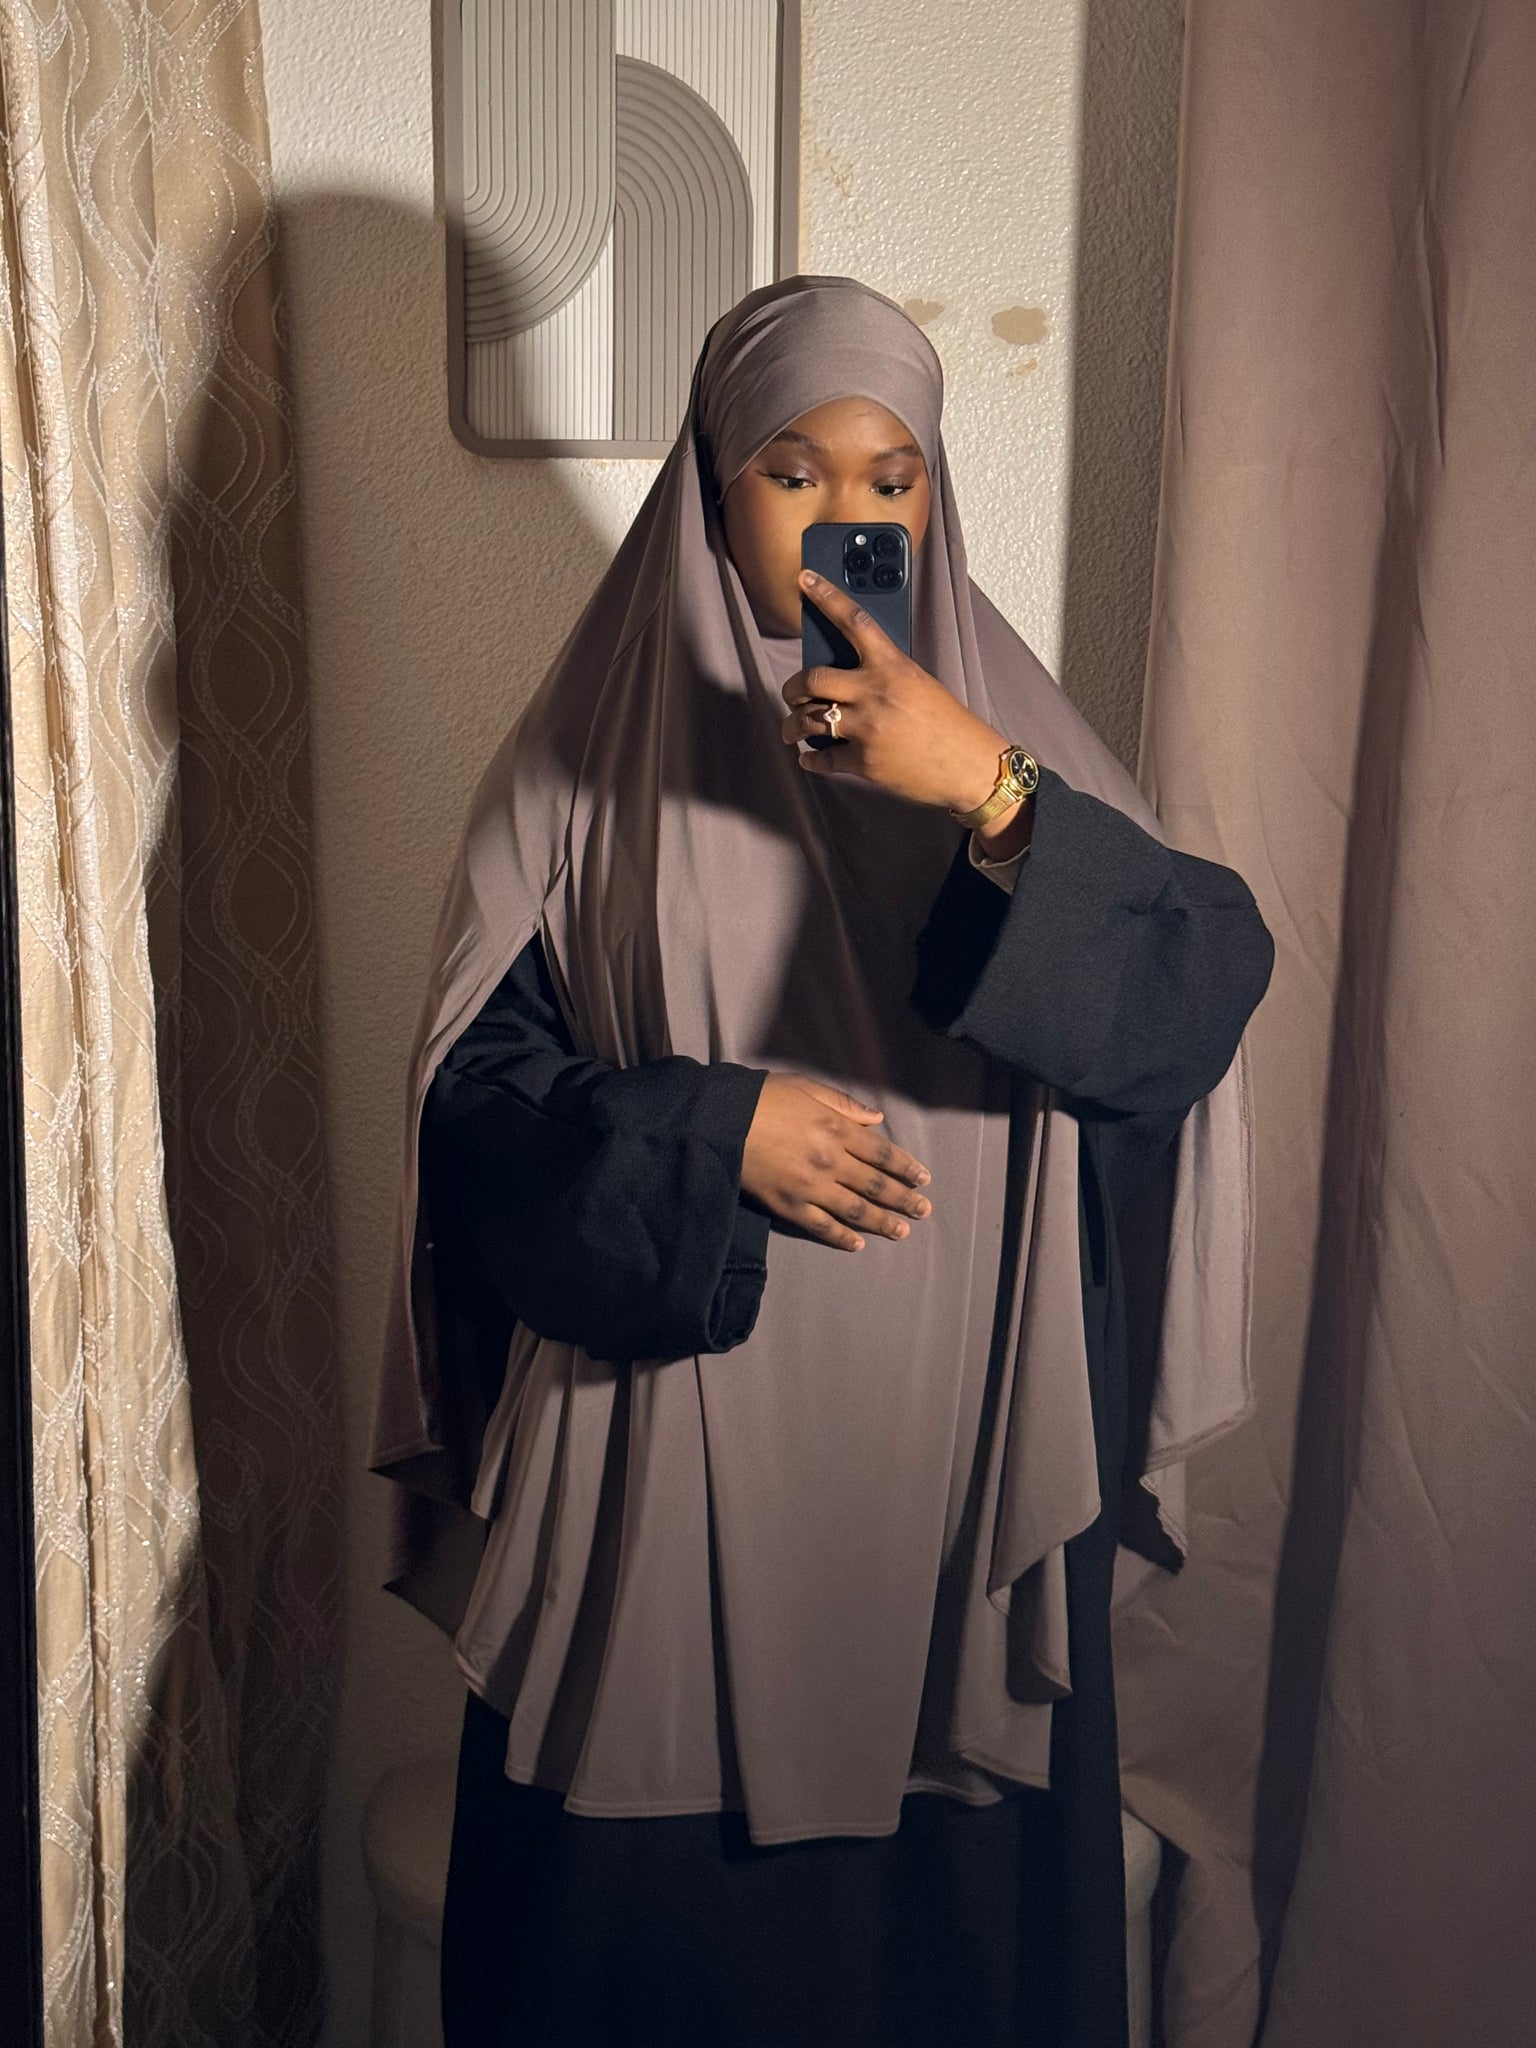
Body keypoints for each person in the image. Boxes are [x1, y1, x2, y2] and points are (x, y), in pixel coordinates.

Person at [369, 276, 1274, 2048]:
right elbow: (477, 1122)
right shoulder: (579, 773)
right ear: (710, 493)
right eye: (793, 473)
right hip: (660, 1476)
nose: (848, 515)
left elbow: (1188, 1008)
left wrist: (987, 788)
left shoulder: (1013, 736)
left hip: (964, 1473)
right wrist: (712, 1135)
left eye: (891, 476)